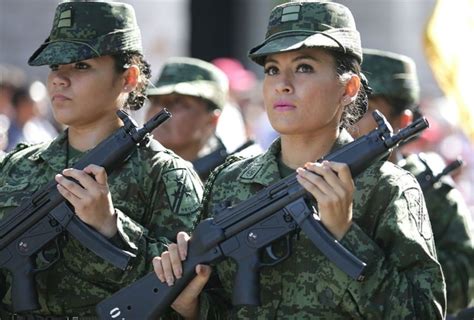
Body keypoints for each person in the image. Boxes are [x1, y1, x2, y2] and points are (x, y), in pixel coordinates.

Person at [152, 1, 446, 319]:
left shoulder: (388, 188)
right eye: (272, 70)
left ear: (349, 87)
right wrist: (191, 307)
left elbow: (425, 313)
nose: (282, 83)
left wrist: (345, 235)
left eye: (304, 67)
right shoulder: (230, 181)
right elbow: (224, 307)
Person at [0, 1, 202, 318]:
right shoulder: (15, 167)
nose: (59, 79)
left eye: (81, 66)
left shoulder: (168, 177)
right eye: (54, 66)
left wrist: (110, 227)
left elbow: (192, 298)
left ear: (129, 77)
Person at [353, 48, 474, 317]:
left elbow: (462, 284)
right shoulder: (323, 174)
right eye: (348, 106)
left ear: (403, 121)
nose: (350, 120)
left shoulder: (431, 190)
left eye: (366, 110)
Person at [146, 57, 257, 181]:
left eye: (177, 103)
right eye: (155, 101)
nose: (159, 111)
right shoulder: (135, 169)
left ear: (212, 120)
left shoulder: (230, 182)